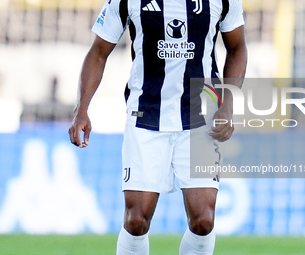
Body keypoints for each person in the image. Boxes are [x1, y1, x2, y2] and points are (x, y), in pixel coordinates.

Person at [69, 0, 247, 254]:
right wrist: (82, 109)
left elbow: (238, 48)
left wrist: (227, 104)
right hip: (146, 116)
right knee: (136, 220)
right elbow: (98, 51)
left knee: (203, 220)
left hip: (200, 117)